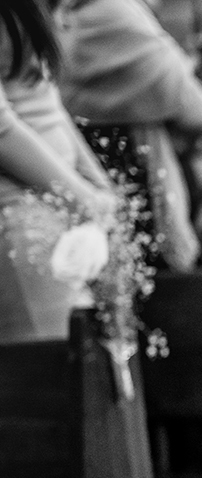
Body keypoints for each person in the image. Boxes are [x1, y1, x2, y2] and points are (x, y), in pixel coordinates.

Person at [57, 0, 202, 272]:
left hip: (73, 174)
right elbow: (198, 112)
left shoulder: (56, 15)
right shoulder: (112, 12)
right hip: (140, 173)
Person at [0, 0, 116, 343]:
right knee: (47, 366)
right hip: (16, 219)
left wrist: (97, 186)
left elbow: (48, 106)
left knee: (80, 359)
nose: (67, 21)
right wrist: (83, 199)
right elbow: (2, 130)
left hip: (54, 212)